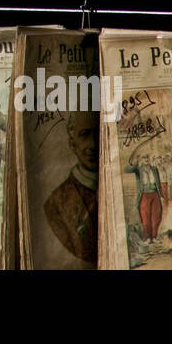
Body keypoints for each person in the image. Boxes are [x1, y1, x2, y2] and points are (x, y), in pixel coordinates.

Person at [43, 113, 100, 264]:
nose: (93, 144)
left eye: (98, 133)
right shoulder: (55, 204)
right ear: (72, 143)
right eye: (84, 135)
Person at [125, 152, 163, 240]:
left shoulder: (154, 169)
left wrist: (161, 195)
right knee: (145, 217)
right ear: (141, 160)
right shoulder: (138, 169)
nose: (146, 160)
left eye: (147, 158)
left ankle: (154, 237)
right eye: (144, 158)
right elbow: (127, 170)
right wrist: (135, 163)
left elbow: (158, 183)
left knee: (156, 217)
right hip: (144, 195)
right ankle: (148, 237)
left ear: (149, 159)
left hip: (155, 194)